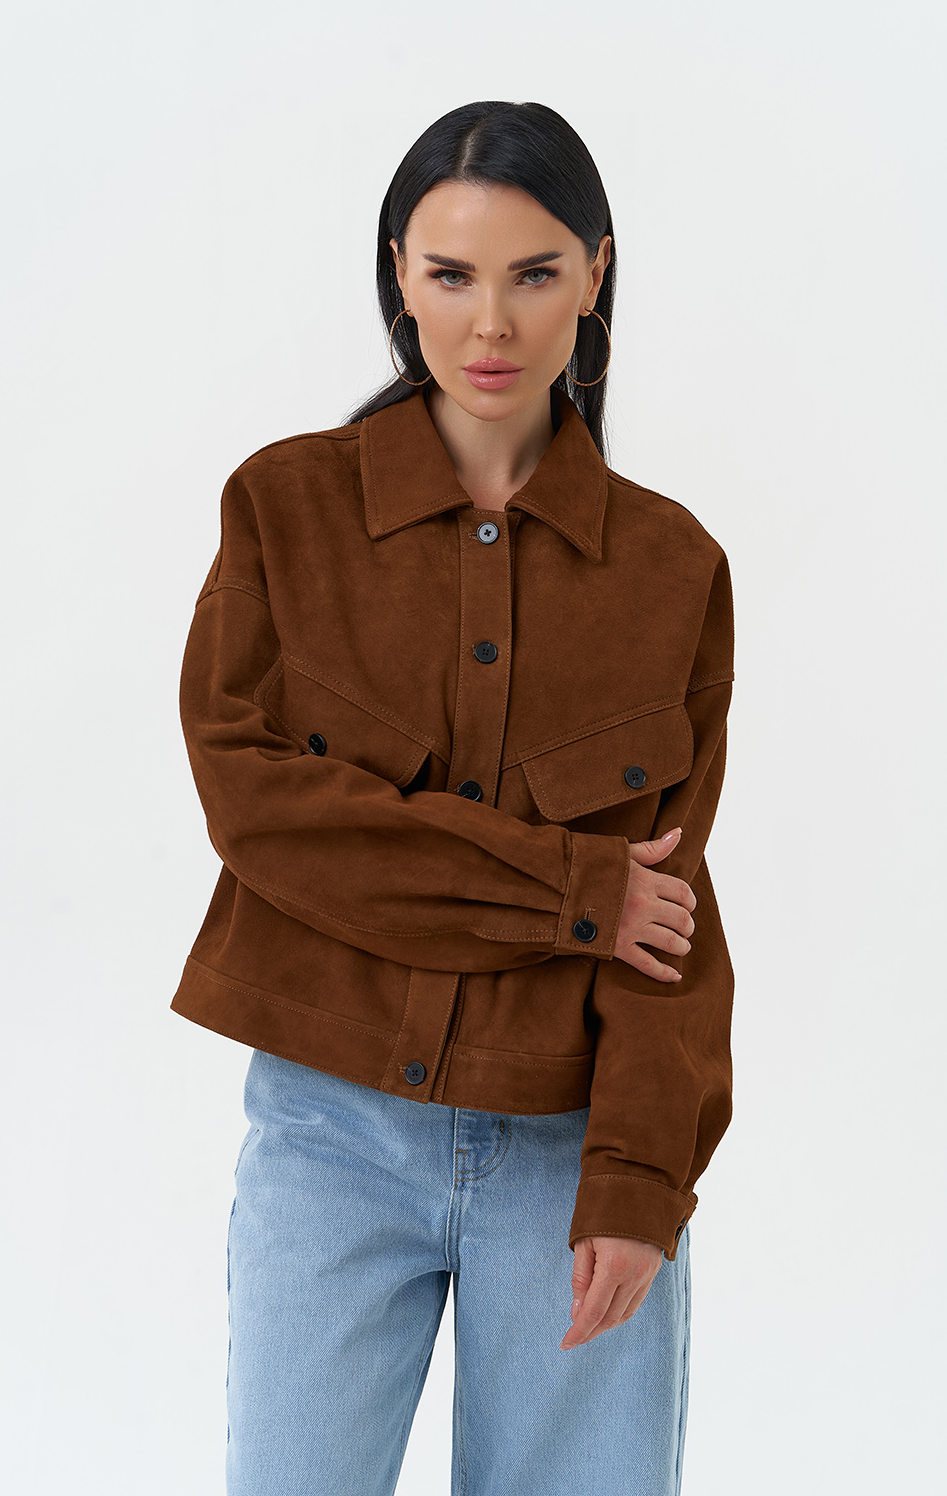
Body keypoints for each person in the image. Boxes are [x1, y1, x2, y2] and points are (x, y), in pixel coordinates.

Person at [171, 98, 735, 1496]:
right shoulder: (284, 512)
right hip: (330, 1136)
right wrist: (572, 891)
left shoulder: (672, 571)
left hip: (569, 1149)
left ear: (596, 275)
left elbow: (668, 914)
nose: (491, 324)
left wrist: (640, 1181)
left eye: (535, 274)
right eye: (451, 274)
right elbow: (260, 812)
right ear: (399, 277)